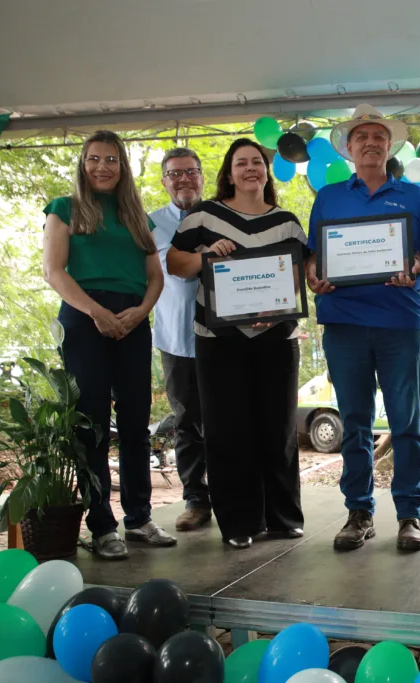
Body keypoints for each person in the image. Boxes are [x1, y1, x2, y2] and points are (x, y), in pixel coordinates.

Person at [42, 130, 176, 560]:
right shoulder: (64, 209)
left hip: (133, 319)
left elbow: (156, 277)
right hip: (84, 320)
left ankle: (139, 519)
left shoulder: (136, 215)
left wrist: (141, 312)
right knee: (91, 427)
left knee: (137, 425)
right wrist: (95, 312)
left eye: (112, 160)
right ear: (83, 164)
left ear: (123, 167)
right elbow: (54, 272)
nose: (102, 167)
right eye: (95, 159)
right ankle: (102, 527)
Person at [166, 138, 306, 549]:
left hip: (276, 339)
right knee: (228, 430)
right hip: (219, 340)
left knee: (278, 428)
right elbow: (175, 263)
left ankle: (282, 517)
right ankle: (239, 523)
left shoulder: (287, 221)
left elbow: (298, 274)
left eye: (257, 163)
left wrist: (279, 307)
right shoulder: (204, 216)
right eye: (242, 163)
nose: (251, 169)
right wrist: (206, 254)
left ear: (267, 171)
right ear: (228, 173)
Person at [307, 104, 420, 552]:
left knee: (406, 424)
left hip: (401, 321)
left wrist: (415, 264)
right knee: (354, 423)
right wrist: (313, 275)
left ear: (388, 144)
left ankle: (410, 514)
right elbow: (312, 255)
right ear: (349, 148)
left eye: (379, 136)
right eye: (362, 137)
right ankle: (359, 513)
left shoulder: (414, 196)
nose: (371, 143)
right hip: (344, 323)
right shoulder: (329, 195)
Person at [149, 147, 211, 531]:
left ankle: (235, 496)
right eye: (174, 174)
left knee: (229, 419)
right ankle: (195, 500)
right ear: (164, 181)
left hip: (224, 337)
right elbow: (167, 273)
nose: (183, 179)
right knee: (187, 422)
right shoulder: (150, 223)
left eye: (190, 172)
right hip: (175, 338)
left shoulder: (223, 216)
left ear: (202, 176)